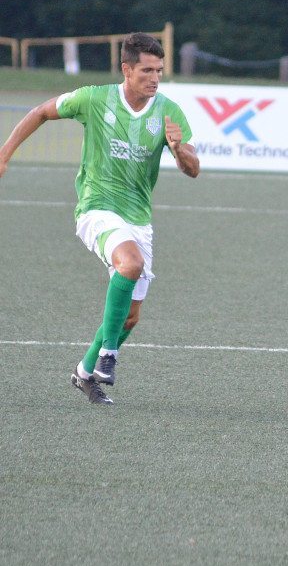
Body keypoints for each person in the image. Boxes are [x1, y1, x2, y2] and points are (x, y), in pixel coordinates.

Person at [0, 32, 199, 405]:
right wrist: (5, 153)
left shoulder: (169, 111)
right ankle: (109, 354)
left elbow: (193, 169)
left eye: (159, 70)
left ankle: (84, 372)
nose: (154, 78)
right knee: (131, 264)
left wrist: (177, 149)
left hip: (138, 218)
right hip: (96, 208)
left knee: (130, 318)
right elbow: (42, 111)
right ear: (126, 69)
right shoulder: (94, 98)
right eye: (146, 70)